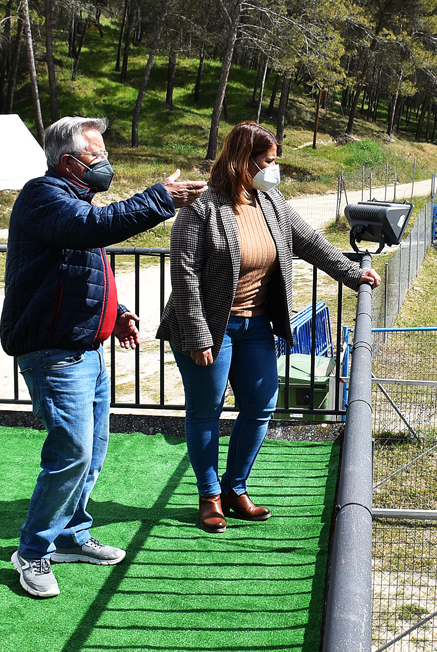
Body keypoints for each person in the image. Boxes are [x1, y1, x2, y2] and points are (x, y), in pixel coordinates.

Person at [0, 116, 206, 598]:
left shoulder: (73, 201)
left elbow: (85, 264)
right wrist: (161, 198)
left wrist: (118, 312)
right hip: (53, 352)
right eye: (97, 153)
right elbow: (95, 228)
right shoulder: (43, 195)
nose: (105, 162)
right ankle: (32, 552)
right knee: (71, 451)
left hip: (83, 348)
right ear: (68, 161)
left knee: (91, 454)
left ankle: (72, 536)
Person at [157, 121, 380, 533]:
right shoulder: (201, 207)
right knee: (206, 410)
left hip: (257, 325)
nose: (274, 169)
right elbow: (184, 273)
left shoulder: (271, 201)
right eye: (268, 161)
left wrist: (354, 274)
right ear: (244, 161)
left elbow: (311, 241)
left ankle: (234, 488)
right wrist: (198, 335)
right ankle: (209, 496)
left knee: (260, 406)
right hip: (208, 327)